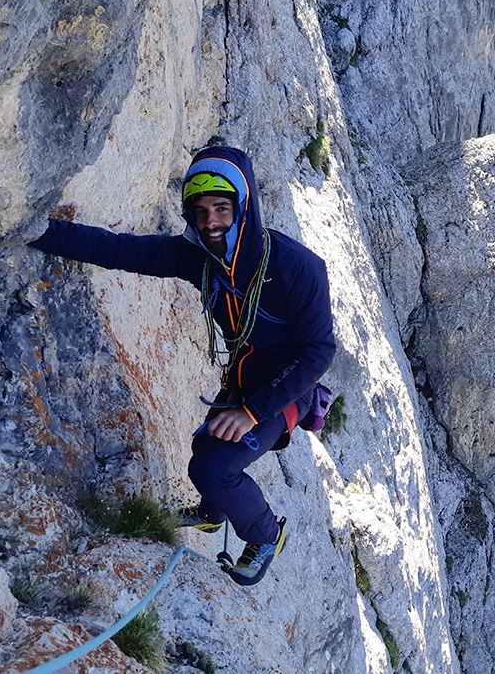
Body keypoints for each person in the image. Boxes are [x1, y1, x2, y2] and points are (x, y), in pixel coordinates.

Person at [30, 146, 336, 586]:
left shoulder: (297, 268)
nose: (210, 221)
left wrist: (251, 411)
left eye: (221, 208)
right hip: (244, 378)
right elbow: (119, 250)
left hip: (285, 389)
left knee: (213, 468)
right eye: (200, 211)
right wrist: (36, 230)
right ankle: (213, 514)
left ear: (243, 207)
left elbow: (318, 352)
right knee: (206, 447)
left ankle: (267, 535)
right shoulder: (202, 259)